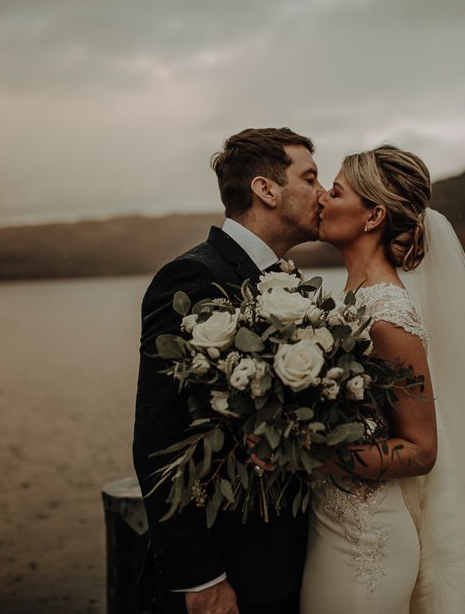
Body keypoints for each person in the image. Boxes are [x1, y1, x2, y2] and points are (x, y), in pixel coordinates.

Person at [300, 145, 465, 613]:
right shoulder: (350, 299)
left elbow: (422, 450)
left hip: (368, 542)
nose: (322, 197)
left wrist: (313, 454)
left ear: (373, 216)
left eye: (336, 191)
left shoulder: (387, 315)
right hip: (333, 524)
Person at [133, 127, 325, 614]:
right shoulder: (193, 276)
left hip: (285, 561)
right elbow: (157, 439)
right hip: (230, 572)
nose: (323, 193)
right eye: (311, 177)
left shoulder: (289, 281)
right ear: (266, 189)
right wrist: (201, 578)